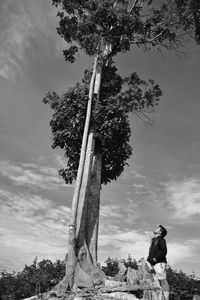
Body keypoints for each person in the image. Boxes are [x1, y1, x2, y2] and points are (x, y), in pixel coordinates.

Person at [147, 225, 169, 300]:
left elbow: (164, 251)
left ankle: (166, 298)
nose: (155, 228)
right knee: (154, 281)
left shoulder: (161, 239)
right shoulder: (153, 240)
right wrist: (148, 259)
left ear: (160, 232)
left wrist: (156, 259)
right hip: (151, 264)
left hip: (159, 263)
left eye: (157, 228)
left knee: (162, 280)